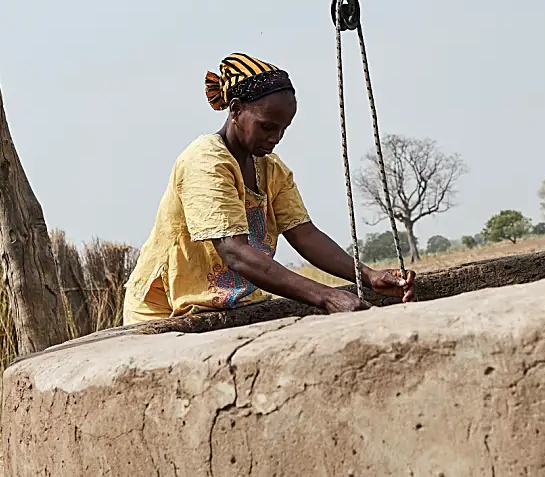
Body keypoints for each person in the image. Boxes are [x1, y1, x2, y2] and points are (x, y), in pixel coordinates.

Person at [123, 52, 416, 324]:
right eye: (266, 126)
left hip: (228, 302)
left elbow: (304, 233)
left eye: (283, 129)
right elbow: (234, 252)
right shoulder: (206, 162)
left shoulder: (270, 168)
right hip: (165, 313)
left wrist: (368, 275)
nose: (276, 137)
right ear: (235, 110)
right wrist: (326, 296)